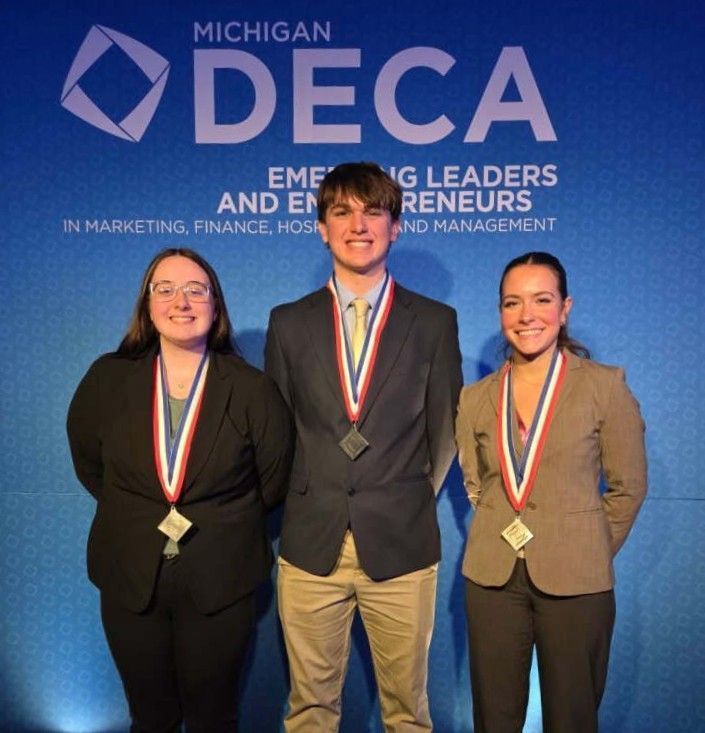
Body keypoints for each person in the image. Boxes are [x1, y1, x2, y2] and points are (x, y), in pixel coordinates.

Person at [265, 161, 463, 731]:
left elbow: (445, 430)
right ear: (321, 228)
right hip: (310, 545)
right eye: (342, 212)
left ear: (395, 226)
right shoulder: (288, 322)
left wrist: (401, 494)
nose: (359, 225)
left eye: (374, 211)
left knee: (407, 713)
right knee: (309, 710)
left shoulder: (433, 320)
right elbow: (279, 431)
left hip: (401, 544)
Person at [67, 247, 293, 732]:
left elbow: (273, 480)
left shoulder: (252, 389)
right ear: (147, 305)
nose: (181, 301)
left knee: (214, 716)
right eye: (165, 289)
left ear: (216, 305)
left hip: (221, 577)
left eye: (196, 290)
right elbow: (90, 464)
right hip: (130, 574)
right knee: (150, 717)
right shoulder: (108, 379)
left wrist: (221, 518)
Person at [455, 251, 647, 733]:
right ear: (500, 313)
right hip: (492, 581)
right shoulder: (475, 398)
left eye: (542, 300)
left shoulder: (605, 387)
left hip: (577, 581)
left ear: (564, 309)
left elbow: (628, 488)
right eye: (511, 303)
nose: (526, 315)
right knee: (493, 719)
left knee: (572, 718)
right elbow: (476, 484)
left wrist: (586, 545)